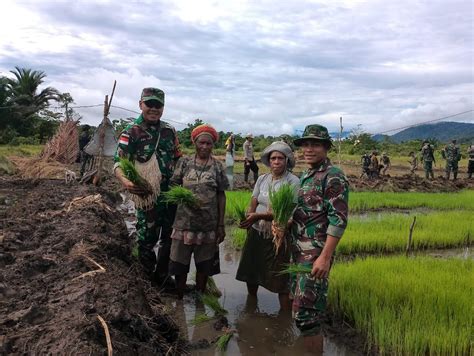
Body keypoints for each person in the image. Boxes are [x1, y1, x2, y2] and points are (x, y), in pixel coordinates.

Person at [272, 124, 349, 354]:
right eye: (305, 144)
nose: (308, 148)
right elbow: (304, 211)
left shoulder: (333, 176)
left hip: (314, 255)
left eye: (315, 144)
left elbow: (339, 220)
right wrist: (284, 224)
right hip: (299, 253)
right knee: (299, 312)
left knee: (308, 316)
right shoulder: (306, 175)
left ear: (326, 147)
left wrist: (325, 258)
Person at [114, 87, 182, 286]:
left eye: (158, 105)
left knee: (169, 237)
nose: (153, 109)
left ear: (163, 107)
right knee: (146, 237)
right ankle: (146, 281)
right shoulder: (131, 132)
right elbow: (118, 163)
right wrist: (127, 183)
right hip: (147, 196)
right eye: (149, 104)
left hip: (170, 195)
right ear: (140, 105)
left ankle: (162, 276)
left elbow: (179, 159)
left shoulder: (169, 131)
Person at [236, 141, 299, 310]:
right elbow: (254, 200)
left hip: (278, 235)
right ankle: (252, 305)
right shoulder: (263, 179)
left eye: (280, 158)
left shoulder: (293, 181)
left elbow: (287, 213)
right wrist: (250, 218)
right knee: (251, 270)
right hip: (257, 231)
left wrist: (257, 216)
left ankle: (284, 317)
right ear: (269, 161)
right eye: (273, 158)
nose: (276, 161)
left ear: (287, 160)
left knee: (280, 278)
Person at [169, 124, 229, 299]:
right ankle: (179, 296)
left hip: (208, 224)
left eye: (208, 144)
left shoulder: (217, 166)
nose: (204, 147)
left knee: (204, 265)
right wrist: (184, 196)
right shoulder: (184, 162)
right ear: (195, 142)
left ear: (213, 145)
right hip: (183, 222)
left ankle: (200, 298)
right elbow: (173, 184)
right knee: (180, 263)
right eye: (201, 142)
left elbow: (221, 195)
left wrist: (221, 224)